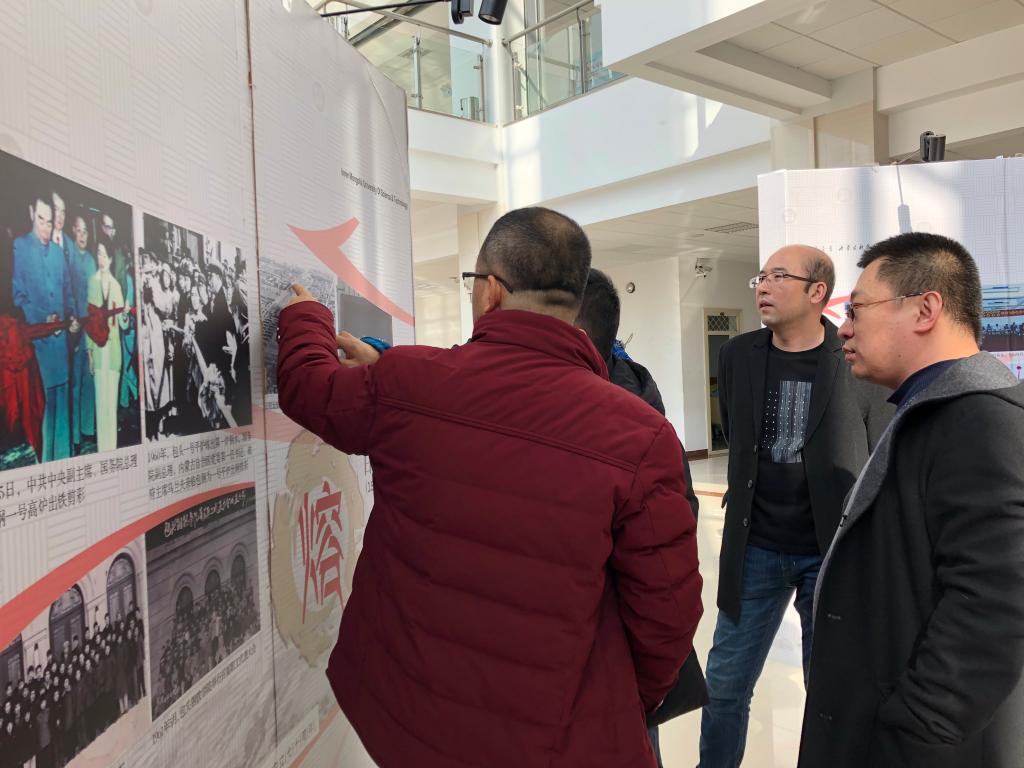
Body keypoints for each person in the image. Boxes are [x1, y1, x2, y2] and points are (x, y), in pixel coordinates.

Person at [277, 206, 702, 768]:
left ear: (491, 290)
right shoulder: (642, 435)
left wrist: (305, 317)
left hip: (413, 719)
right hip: (555, 739)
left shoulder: (409, 384)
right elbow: (668, 615)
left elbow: (310, 388)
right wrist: (613, 701)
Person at [799, 232, 1024, 768]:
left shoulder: (980, 421)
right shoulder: (928, 410)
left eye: (856, 310)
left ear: (925, 309)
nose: (844, 329)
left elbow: (995, 605)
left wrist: (914, 730)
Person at [700, 245, 892, 767]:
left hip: (827, 553)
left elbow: (877, 455)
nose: (763, 285)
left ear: (817, 292)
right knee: (724, 685)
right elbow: (738, 437)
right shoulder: (736, 355)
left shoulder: (853, 358)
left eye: (779, 276)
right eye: (760, 276)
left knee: (825, 689)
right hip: (755, 547)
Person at [574, 267, 707, 766]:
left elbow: (667, 577)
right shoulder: (630, 391)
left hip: (610, 651)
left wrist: (645, 687)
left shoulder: (628, 418)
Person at [12, 193, 80, 461]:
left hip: (61, 345)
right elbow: (18, 296)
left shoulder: (59, 253)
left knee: (62, 408)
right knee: (43, 410)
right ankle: (46, 466)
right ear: (32, 213)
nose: (45, 228)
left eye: (49, 222)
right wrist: (43, 319)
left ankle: (63, 463)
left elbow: (68, 294)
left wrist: (72, 318)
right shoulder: (20, 247)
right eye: (41, 220)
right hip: (38, 348)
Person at [86, 238, 129, 452]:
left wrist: (125, 314)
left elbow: (122, 324)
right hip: (97, 351)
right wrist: (89, 354)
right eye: (99, 254)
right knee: (100, 403)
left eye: (105, 255)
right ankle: (102, 449)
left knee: (111, 405)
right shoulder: (91, 283)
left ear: (111, 259)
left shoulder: (116, 286)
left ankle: (110, 449)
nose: (101, 259)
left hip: (112, 353)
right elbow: (88, 322)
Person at [67, 215, 97, 452]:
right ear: (73, 232)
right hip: (74, 328)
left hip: (90, 327)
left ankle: (88, 428)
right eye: (79, 230)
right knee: (75, 381)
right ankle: (75, 436)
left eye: (85, 231)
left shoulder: (91, 261)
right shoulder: (68, 259)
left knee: (89, 378)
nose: (82, 235)